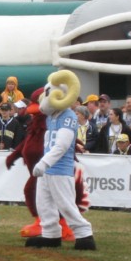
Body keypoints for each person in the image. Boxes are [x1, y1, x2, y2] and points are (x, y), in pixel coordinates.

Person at [25, 70, 95, 250]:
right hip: (48, 170)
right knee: (43, 203)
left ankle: (84, 234)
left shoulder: (68, 117)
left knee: (65, 203)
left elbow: (62, 145)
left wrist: (43, 162)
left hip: (60, 169)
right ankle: (50, 234)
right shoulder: (51, 117)